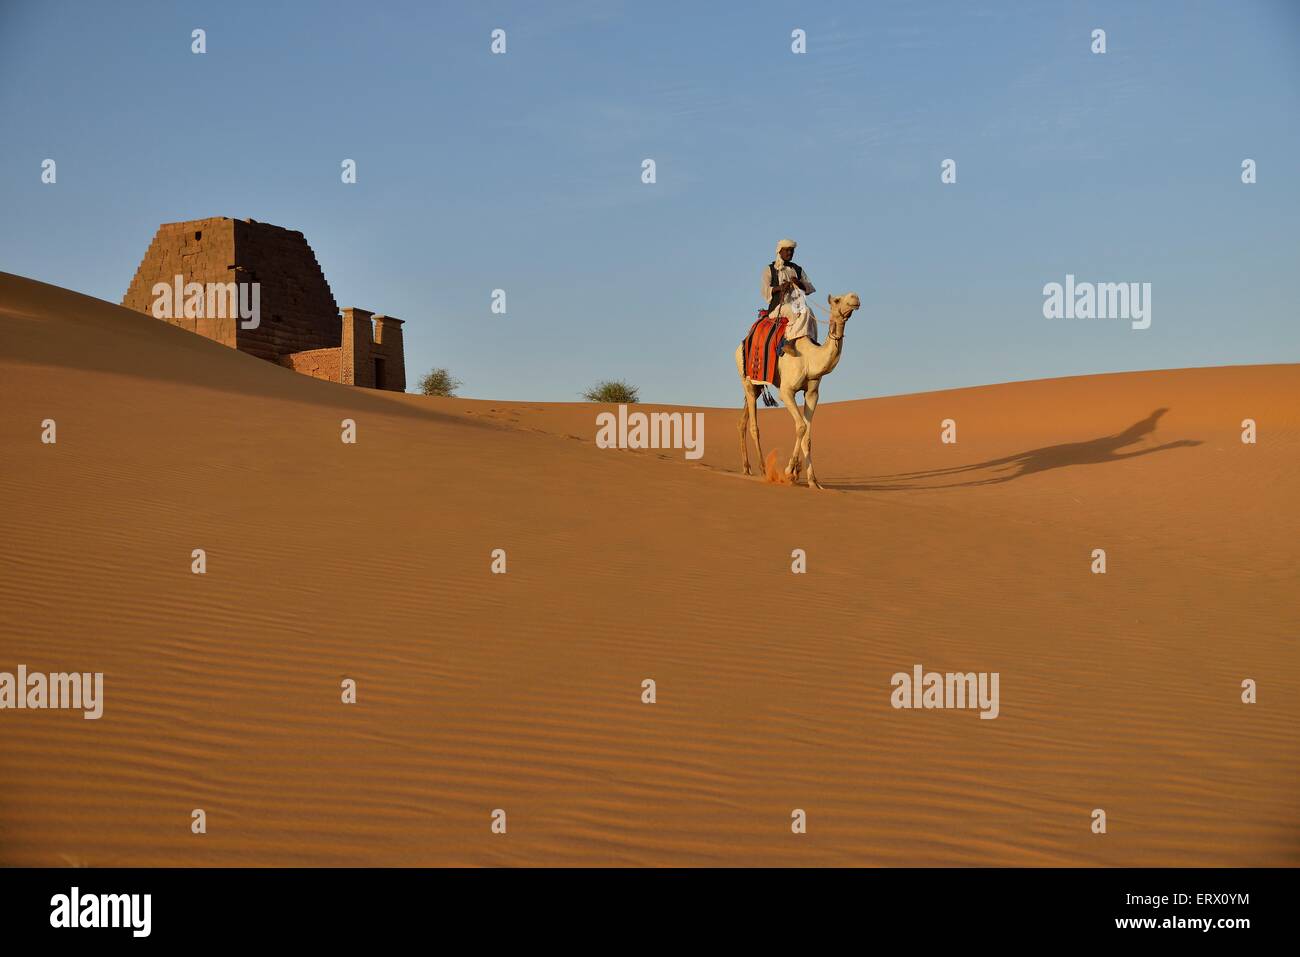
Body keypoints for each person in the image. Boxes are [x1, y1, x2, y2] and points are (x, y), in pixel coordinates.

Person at [761, 239, 817, 354]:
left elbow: (810, 288)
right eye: (787, 250)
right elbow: (765, 291)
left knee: (810, 313)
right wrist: (780, 288)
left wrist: (798, 282)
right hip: (778, 308)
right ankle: (789, 342)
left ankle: (810, 343)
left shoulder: (797, 269)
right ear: (779, 251)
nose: (790, 253)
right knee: (803, 311)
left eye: (791, 250)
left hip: (797, 305)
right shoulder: (770, 269)